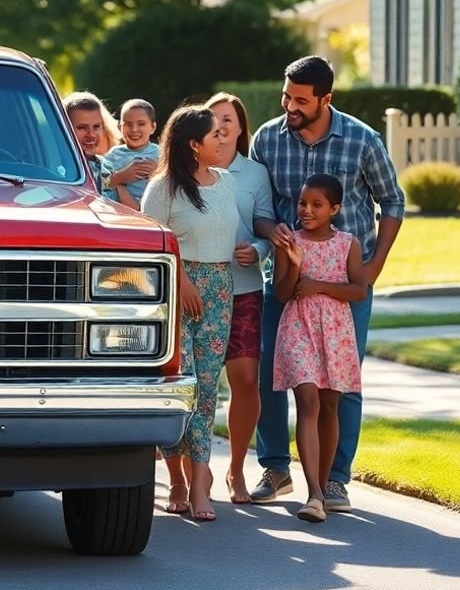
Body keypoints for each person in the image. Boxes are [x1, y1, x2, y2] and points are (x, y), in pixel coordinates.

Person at [249, 56, 405, 513]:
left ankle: (335, 480)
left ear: (325, 99)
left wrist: (374, 265)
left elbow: (393, 200)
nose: (290, 106)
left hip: (344, 285)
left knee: (344, 382)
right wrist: (269, 231)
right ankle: (276, 468)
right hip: (285, 280)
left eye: (301, 100)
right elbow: (259, 207)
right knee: (272, 376)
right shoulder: (267, 139)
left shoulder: (361, 139)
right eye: (286, 96)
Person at [140, 105, 240, 522]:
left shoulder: (227, 182)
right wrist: (181, 280)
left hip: (220, 289)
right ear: (193, 145)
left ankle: (201, 479)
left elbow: (226, 234)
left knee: (207, 388)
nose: (224, 139)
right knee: (180, 385)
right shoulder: (162, 188)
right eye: (215, 134)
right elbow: (148, 246)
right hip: (175, 294)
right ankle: (177, 477)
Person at [272, 174, 366, 523]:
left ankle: (325, 488)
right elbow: (282, 294)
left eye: (316, 205)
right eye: (302, 203)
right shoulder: (289, 242)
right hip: (298, 327)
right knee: (308, 399)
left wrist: (318, 286)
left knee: (330, 406)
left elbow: (359, 290)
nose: (306, 210)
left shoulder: (348, 243)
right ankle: (312, 493)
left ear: (334, 209)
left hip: (336, 331)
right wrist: (296, 265)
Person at [204, 91, 274, 504]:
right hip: (200, 291)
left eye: (229, 118)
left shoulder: (255, 174)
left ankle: (235, 470)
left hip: (245, 286)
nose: (222, 125)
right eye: (214, 118)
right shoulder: (191, 170)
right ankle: (198, 471)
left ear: (240, 126)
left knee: (246, 379)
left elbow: (265, 223)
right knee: (204, 383)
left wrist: (260, 251)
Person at [102, 99, 161, 211]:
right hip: (120, 214)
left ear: (153, 127)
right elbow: (100, 185)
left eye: (141, 124)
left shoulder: (161, 155)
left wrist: (157, 173)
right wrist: (120, 176)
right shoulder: (113, 156)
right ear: (120, 128)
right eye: (128, 124)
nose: (134, 129)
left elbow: (175, 184)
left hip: (154, 214)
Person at [62, 91, 115, 194]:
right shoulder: (57, 170)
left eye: (96, 127)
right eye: (82, 127)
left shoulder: (107, 167)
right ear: (64, 128)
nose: (91, 135)